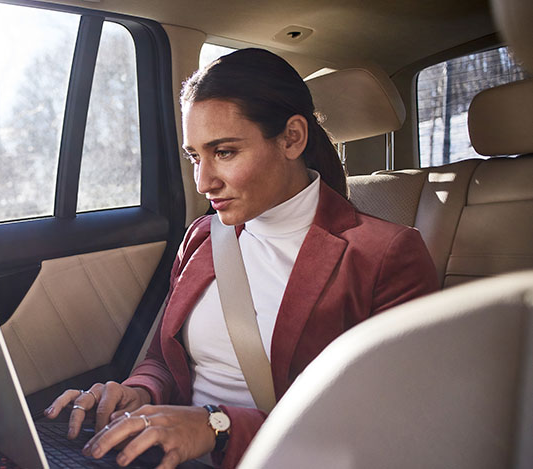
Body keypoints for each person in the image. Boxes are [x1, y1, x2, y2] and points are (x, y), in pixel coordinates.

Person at [44, 48, 439, 469]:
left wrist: (216, 428)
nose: (203, 182)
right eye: (195, 156)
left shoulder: (385, 254)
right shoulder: (201, 236)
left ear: (292, 138)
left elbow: (386, 426)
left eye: (225, 152)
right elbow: (164, 359)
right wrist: (139, 392)